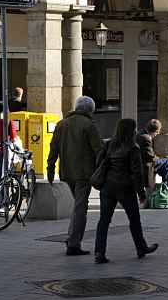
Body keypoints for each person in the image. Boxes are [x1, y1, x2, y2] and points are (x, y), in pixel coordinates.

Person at [93, 118, 158, 264]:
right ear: (131, 130)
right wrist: (141, 193)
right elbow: (137, 172)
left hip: (108, 187)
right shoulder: (133, 147)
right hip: (125, 188)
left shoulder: (109, 144)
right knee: (134, 219)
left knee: (103, 220)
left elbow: (99, 162)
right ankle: (141, 247)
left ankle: (99, 252)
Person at [47, 96, 103, 256]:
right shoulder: (90, 125)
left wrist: (50, 170)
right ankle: (73, 243)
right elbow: (98, 150)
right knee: (80, 208)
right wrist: (104, 170)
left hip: (66, 172)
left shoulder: (61, 124)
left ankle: (72, 237)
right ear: (89, 110)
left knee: (78, 206)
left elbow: (53, 150)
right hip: (84, 173)